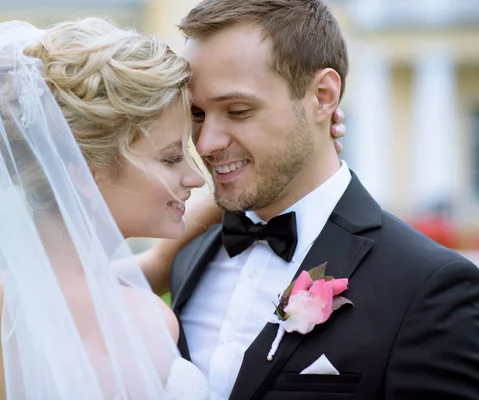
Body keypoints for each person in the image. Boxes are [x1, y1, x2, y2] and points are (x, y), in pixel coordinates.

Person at [0, 15, 346, 400]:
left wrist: (292, 149)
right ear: (85, 173)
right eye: (171, 158)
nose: (195, 176)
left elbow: (144, 269)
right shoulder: (146, 321)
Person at [165, 1, 479, 400]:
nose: (206, 143)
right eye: (196, 114)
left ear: (323, 95)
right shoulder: (187, 260)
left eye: (238, 111)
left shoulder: (429, 285)